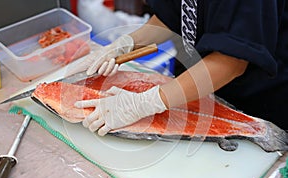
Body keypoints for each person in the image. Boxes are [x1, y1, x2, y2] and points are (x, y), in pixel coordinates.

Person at [74, 0, 288, 136]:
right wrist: (123, 45)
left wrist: (146, 102)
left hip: (257, 107)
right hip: (197, 93)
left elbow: (230, 62)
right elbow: (170, 17)